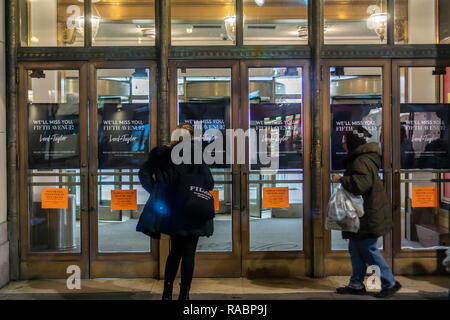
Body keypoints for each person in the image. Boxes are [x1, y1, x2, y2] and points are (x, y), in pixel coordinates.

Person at [138, 122, 214, 300]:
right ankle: (184, 294)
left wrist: (157, 192)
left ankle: (167, 293)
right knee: (189, 253)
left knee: (175, 252)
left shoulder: (162, 155)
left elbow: (143, 173)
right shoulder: (196, 155)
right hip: (193, 209)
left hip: (174, 210)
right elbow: (209, 183)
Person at [331, 125, 401, 298]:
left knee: (368, 249)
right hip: (363, 213)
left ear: (351, 142)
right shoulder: (362, 158)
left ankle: (389, 282)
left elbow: (361, 184)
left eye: (344, 141)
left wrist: (342, 179)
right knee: (355, 249)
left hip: (367, 214)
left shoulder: (360, 160)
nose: (342, 144)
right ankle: (356, 284)